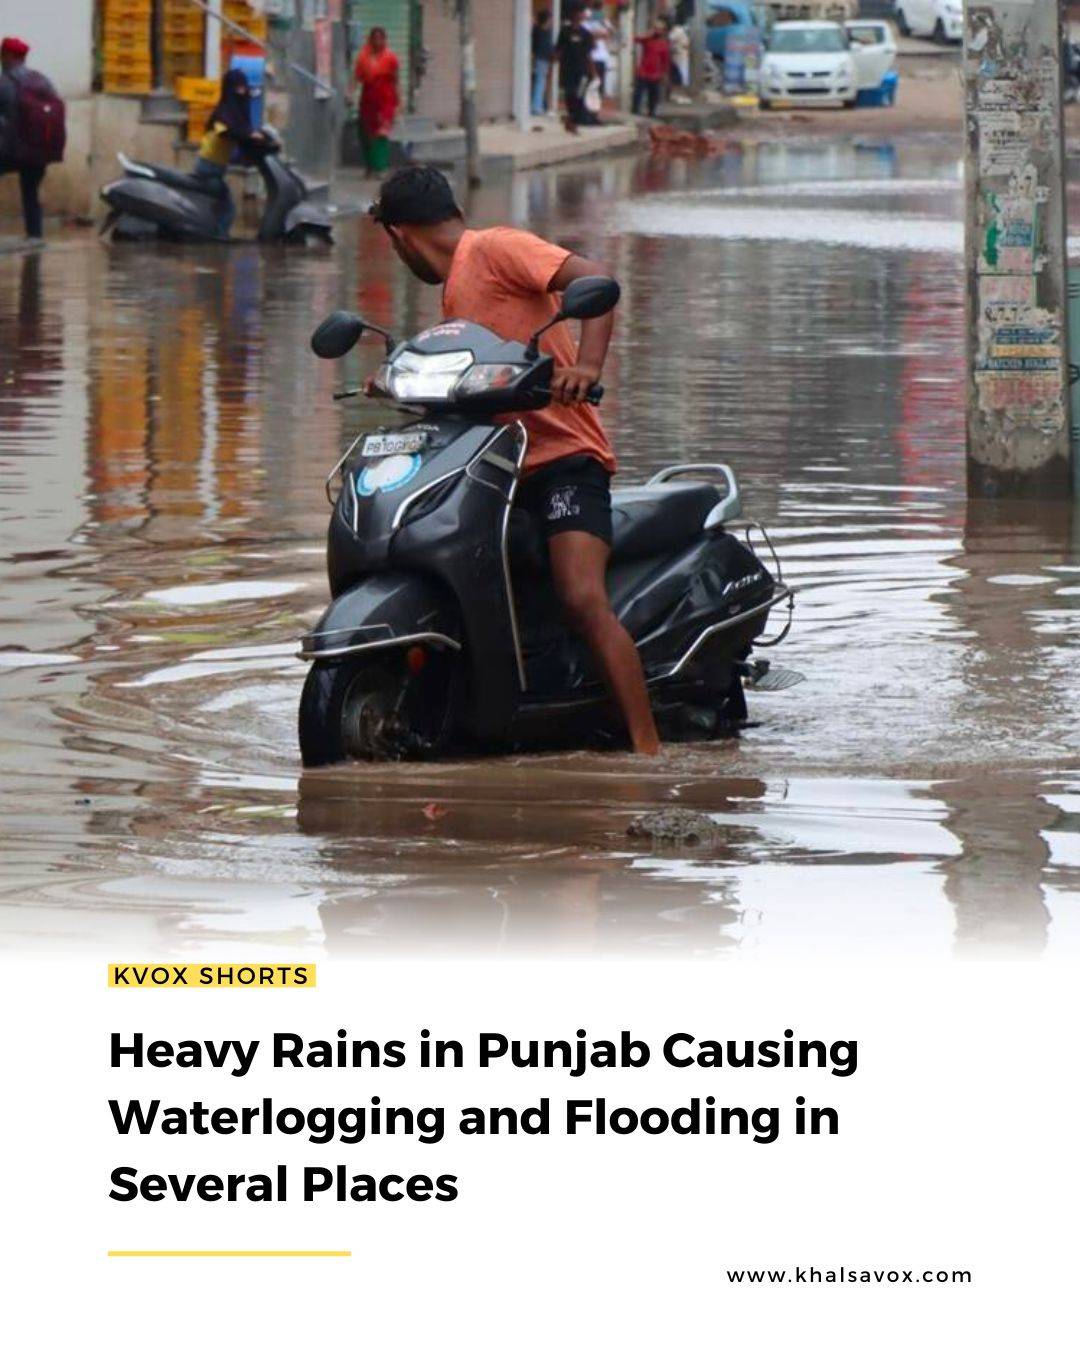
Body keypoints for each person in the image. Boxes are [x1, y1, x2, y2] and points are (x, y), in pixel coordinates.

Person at [367, 166, 661, 756]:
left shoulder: (497, 248)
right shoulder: (453, 295)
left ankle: (648, 750)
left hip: (564, 460)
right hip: (497, 471)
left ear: (400, 236)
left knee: (580, 597)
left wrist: (589, 367)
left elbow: (596, 281)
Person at [0, 36, 63, 241]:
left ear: (9, 56)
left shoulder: (4, 82)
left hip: (10, 150)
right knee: (30, 192)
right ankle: (35, 235)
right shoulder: (42, 80)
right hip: (39, 149)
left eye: (3, 54)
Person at [194, 68, 266, 238]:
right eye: (239, 87)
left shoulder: (235, 112)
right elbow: (225, 132)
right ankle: (219, 241)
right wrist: (249, 134)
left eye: (244, 86)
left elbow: (243, 133)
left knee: (222, 206)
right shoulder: (223, 113)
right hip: (208, 168)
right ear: (230, 88)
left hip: (215, 167)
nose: (243, 91)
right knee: (228, 210)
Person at [353, 26, 399, 177]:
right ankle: (370, 166)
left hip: (386, 99)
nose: (378, 42)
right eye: (375, 38)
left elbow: (396, 80)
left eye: (381, 38)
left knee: (382, 133)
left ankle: (381, 167)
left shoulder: (391, 58)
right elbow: (356, 78)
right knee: (366, 134)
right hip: (368, 99)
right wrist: (350, 92)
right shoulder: (363, 57)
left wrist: (398, 101)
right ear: (370, 39)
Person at [554, 3, 596, 134]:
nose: (578, 16)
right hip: (568, 70)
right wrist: (553, 62)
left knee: (580, 95)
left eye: (581, 13)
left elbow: (589, 55)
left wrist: (593, 72)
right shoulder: (565, 31)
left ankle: (575, 120)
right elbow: (558, 49)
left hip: (582, 71)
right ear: (572, 15)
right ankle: (571, 119)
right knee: (569, 95)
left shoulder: (587, 34)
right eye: (577, 13)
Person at [633, 20, 670, 118]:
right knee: (638, 93)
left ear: (663, 31)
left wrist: (664, 74)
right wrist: (648, 34)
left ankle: (651, 112)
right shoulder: (647, 40)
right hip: (643, 71)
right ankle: (634, 111)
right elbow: (635, 39)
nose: (658, 31)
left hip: (655, 74)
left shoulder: (664, 44)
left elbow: (665, 61)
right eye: (656, 28)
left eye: (660, 29)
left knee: (653, 95)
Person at [583, 6, 616, 104]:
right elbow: (588, 35)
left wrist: (605, 25)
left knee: (600, 84)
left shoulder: (604, 22)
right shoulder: (586, 23)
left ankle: (597, 106)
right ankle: (587, 106)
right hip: (591, 57)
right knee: (590, 83)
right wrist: (599, 34)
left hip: (602, 57)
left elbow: (611, 33)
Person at [531, 10, 555, 116]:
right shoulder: (539, 31)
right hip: (540, 59)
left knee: (541, 82)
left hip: (545, 59)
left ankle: (540, 105)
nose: (552, 21)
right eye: (550, 19)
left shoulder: (545, 31)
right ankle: (536, 107)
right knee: (540, 82)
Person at [667, 17, 691, 91]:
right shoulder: (676, 31)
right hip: (677, 53)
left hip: (681, 53)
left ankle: (683, 86)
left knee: (682, 69)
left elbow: (670, 38)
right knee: (679, 69)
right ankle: (680, 85)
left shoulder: (678, 31)